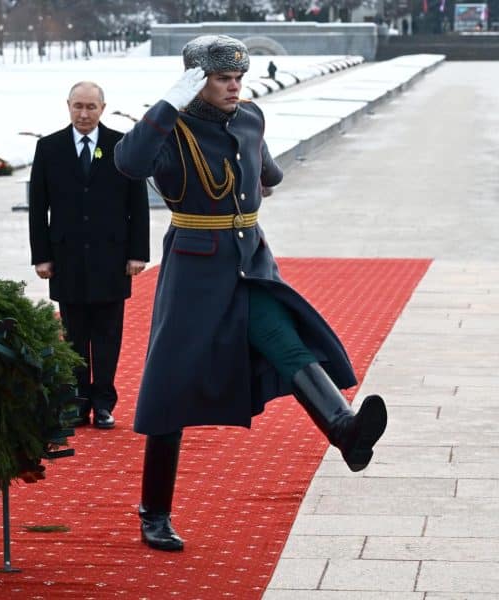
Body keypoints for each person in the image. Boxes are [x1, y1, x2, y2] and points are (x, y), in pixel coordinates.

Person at [113, 35, 388, 552]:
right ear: (196, 83)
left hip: (248, 262)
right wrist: (165, 107)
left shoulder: (250, 117)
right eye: (222, 78)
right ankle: (155, 512)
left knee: (287, 344)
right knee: (171, 388)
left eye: (238, 76)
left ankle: (345, 430)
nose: (235, 85)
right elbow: (128, 164)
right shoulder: (172, 127)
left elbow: (267, 173)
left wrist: (258, 174)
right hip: (194, 269)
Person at [29, 81, 150, 430]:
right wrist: (42, 256)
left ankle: (104, 402)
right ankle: (77, 402)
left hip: (111, 258)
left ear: (103, 108)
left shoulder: (121, 146)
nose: (84, 114)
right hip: (66, 259)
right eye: (77, 106)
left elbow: (137, 205)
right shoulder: (49, 147)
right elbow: (39, 208)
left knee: (108, 335)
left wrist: (137, 253)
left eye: (90, 107)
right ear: (68, 106)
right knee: (74, 335)